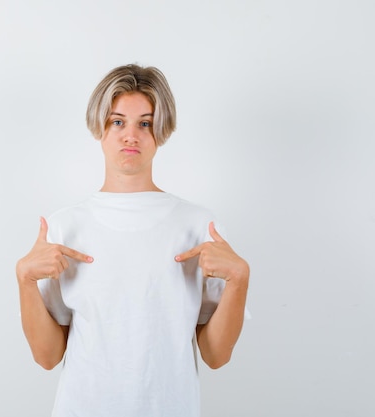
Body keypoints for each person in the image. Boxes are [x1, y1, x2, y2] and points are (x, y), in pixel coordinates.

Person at [16, 64, 249, 417]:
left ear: (161, 130)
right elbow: (47, 357)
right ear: (100, 128)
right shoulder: (64, 227)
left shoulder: (199, 226)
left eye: (144, 123)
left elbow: (216, 356)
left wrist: (240, 279)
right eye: (117, 121)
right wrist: (24, 279)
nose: (130, 135)